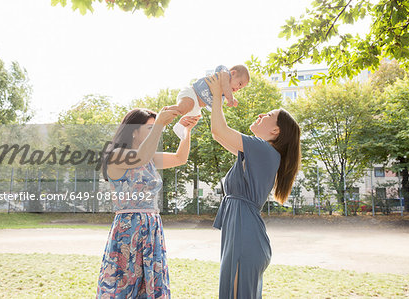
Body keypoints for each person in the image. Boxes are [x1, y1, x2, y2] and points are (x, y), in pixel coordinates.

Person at [205, 74, 301, 299]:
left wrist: (218, 93)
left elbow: (218, 130)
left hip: (244, 235)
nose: (260, 115)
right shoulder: (259, 153)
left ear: (276, 131)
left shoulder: (264, 150)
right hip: (242, 233)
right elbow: (220, 136)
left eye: (268, 115)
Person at [96, 107, 200, 298]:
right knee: (124, 284)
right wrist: (161, 122)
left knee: (150, 286)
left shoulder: (150, 158)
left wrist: (187, 131)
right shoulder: (117, 155)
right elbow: (139, 157)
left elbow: (180, 158)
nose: (155, 132)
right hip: (129, 229)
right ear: (134, 131)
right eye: (150, 128)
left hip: (152, 227)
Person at [170, 65, 250, 139]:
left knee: (194, 118)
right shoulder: (224, 74)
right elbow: (226, 87)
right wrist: (230, 98)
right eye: (239, 84)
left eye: (240, 88)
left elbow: (225, 92)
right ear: (232, 73)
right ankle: (165, 113)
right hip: (192, 94)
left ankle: (180, 126)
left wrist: (232, 98)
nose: (238, 88)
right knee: (184, 107)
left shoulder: (224, 91)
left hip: (198, 105)